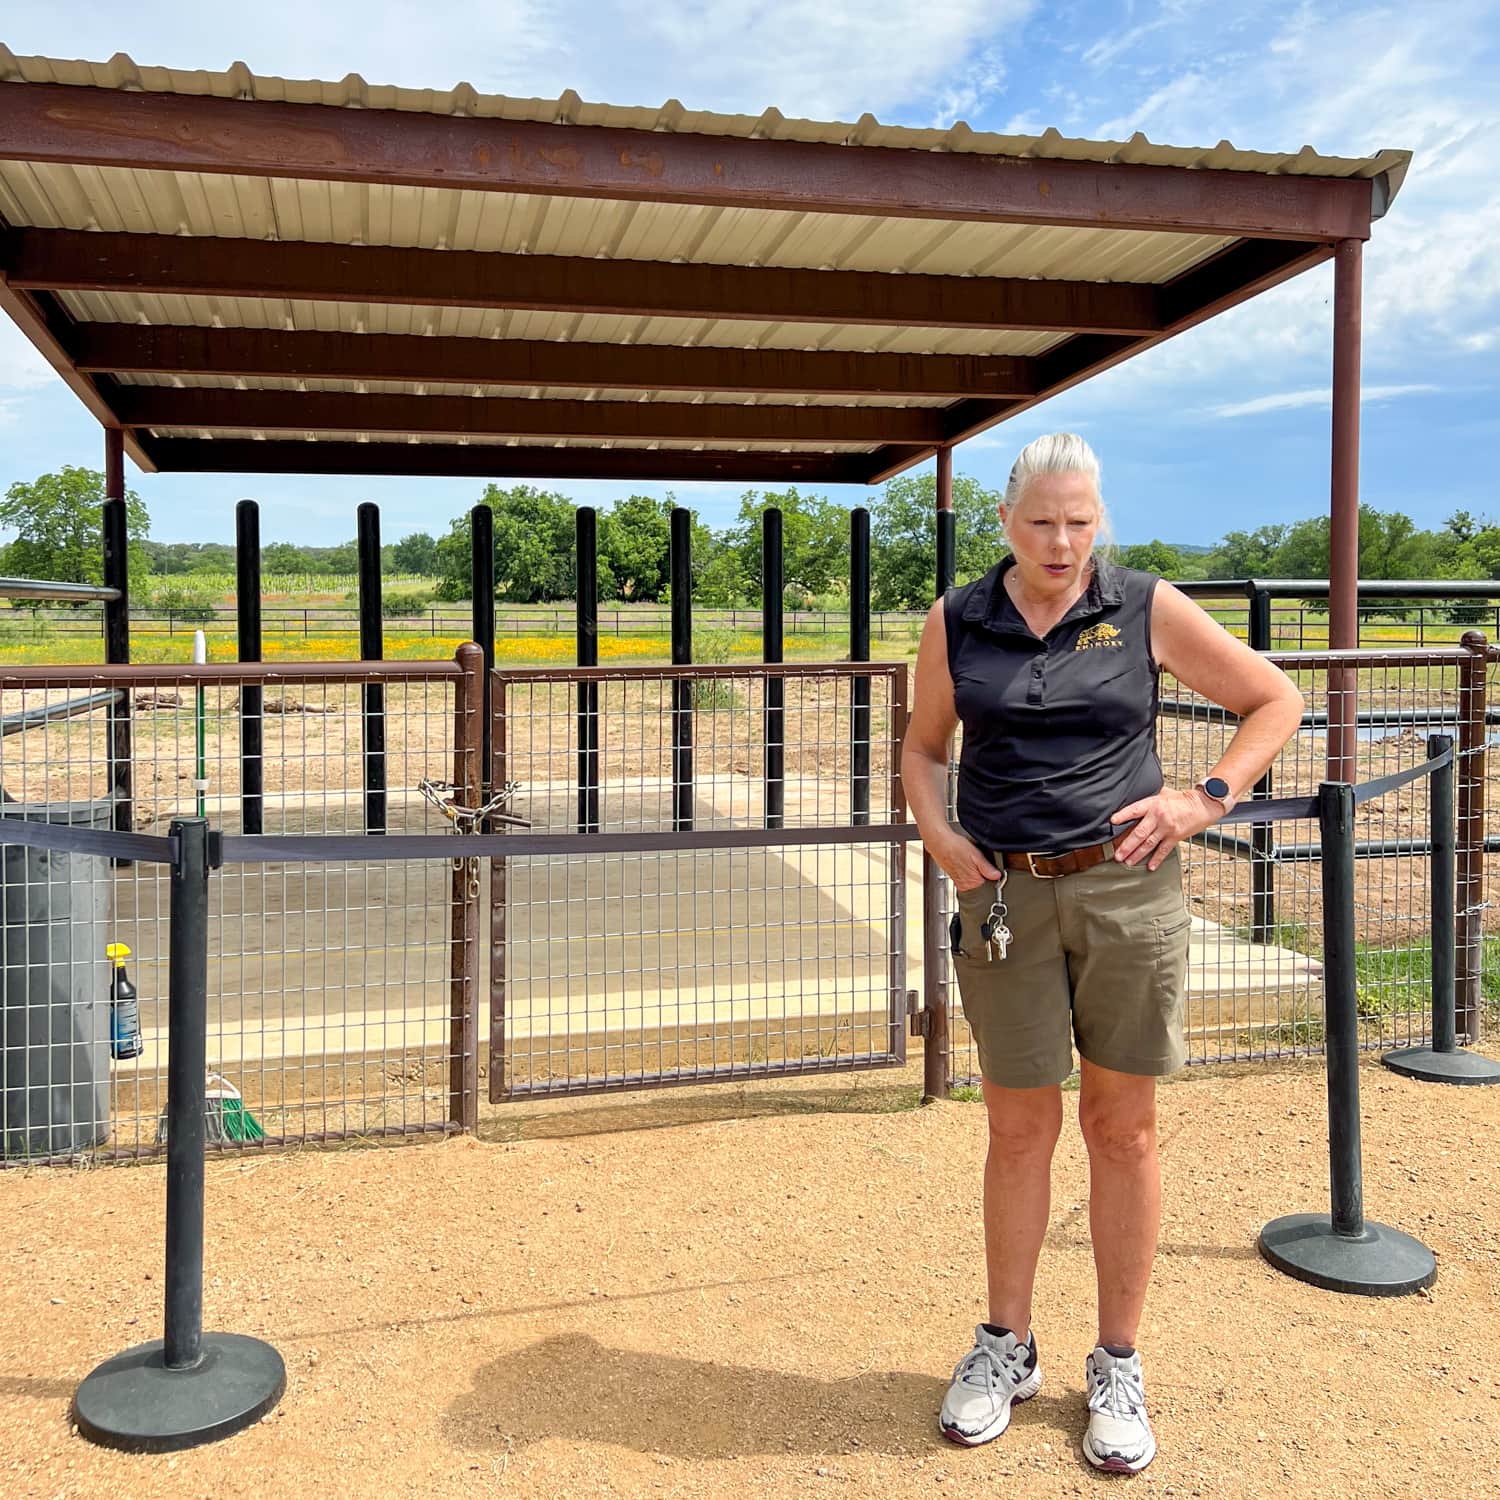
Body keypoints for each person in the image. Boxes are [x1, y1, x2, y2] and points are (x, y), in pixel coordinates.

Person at [901, 433, 1304, 1474]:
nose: (1062, 540)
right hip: (1003, 896)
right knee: (1017, 1126)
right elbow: (921, 744)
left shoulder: (1141, 604)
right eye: (1042, 521)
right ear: (1005, 521)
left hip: (1129, 894)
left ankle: (1117, 1362)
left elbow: (1274, 699)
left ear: (1100, 520)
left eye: (1080, 521)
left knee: (1123, 1129)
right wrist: (943, 839)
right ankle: (1006, 1346)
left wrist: (1202, 798)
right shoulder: (958, 620)